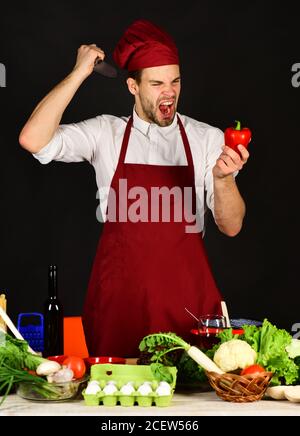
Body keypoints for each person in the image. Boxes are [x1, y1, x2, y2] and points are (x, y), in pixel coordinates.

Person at [19, 19, 249, 357]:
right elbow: (32, 139)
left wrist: (222, 179)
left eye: (175, 81)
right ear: (133, 87)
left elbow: (231, 225)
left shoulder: (206, 139)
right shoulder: (106, 134)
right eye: (156, 83)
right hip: (119, 311)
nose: (169, 92)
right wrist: (79, 73)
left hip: (188, 313)